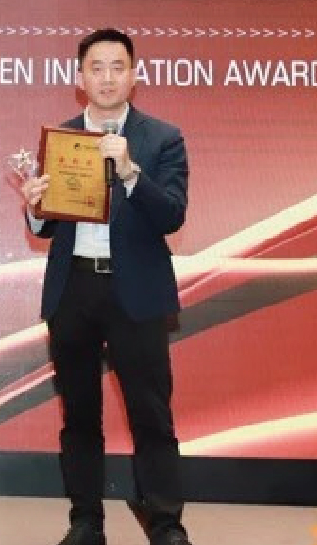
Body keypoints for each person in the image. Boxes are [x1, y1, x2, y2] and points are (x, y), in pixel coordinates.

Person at [19, 28, 193, 545]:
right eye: (96, 68)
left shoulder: (162, 138)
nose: (108, 77)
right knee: (79, 415)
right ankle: (85, 522)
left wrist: (132, 172)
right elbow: (46, 226)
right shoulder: (62, 141)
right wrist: (34, 207)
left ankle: (166, 524)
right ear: (80, 78)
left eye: (118, 67)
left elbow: (172, 214)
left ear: (134, 76)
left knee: (151, 415)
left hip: (135, 292)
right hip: (74, 289)